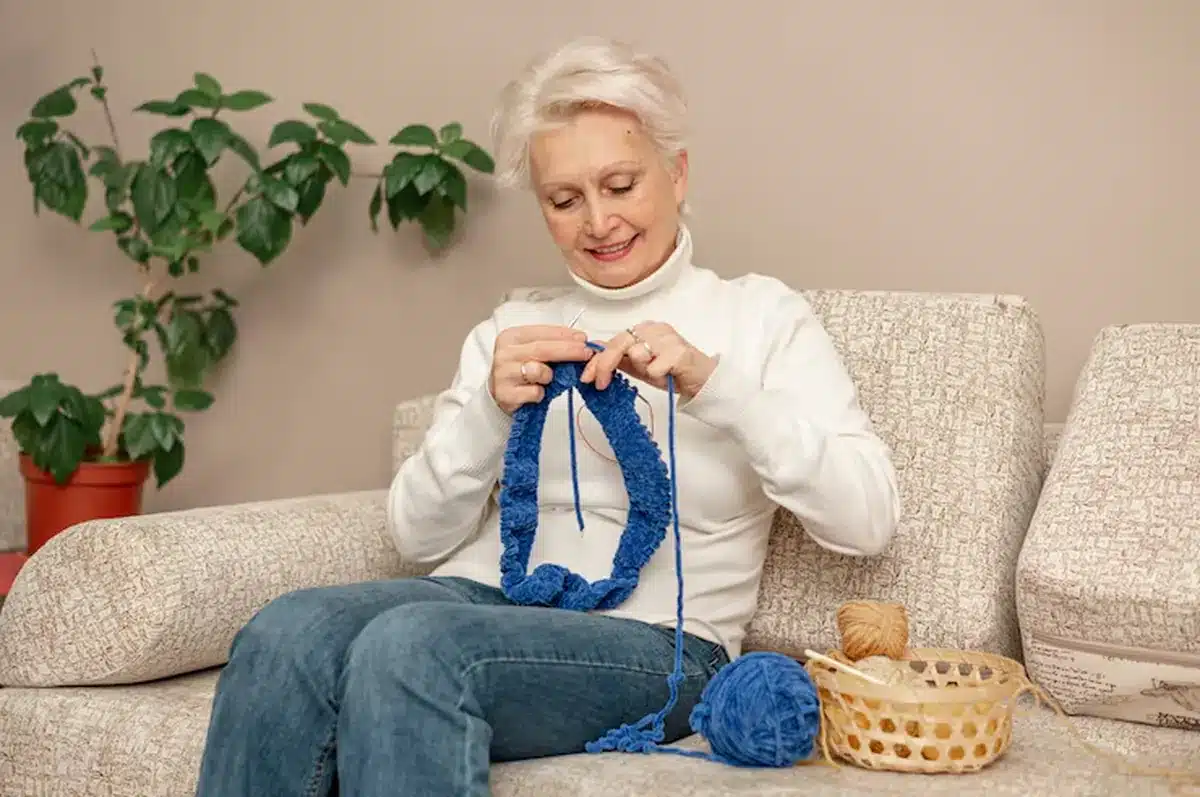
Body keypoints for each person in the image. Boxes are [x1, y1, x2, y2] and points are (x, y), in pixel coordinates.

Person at [194, 35, 901, 797]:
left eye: (621, 184)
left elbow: (868, 519)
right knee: (284, 630)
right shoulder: (514, 326)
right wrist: (486, 415)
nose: (597, 221)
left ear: (677, 173)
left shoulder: (760, 316)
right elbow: (414, 534)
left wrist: (713, 386)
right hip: (482, 599)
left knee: (413, 646)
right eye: (565, 199)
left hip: (662, 641)